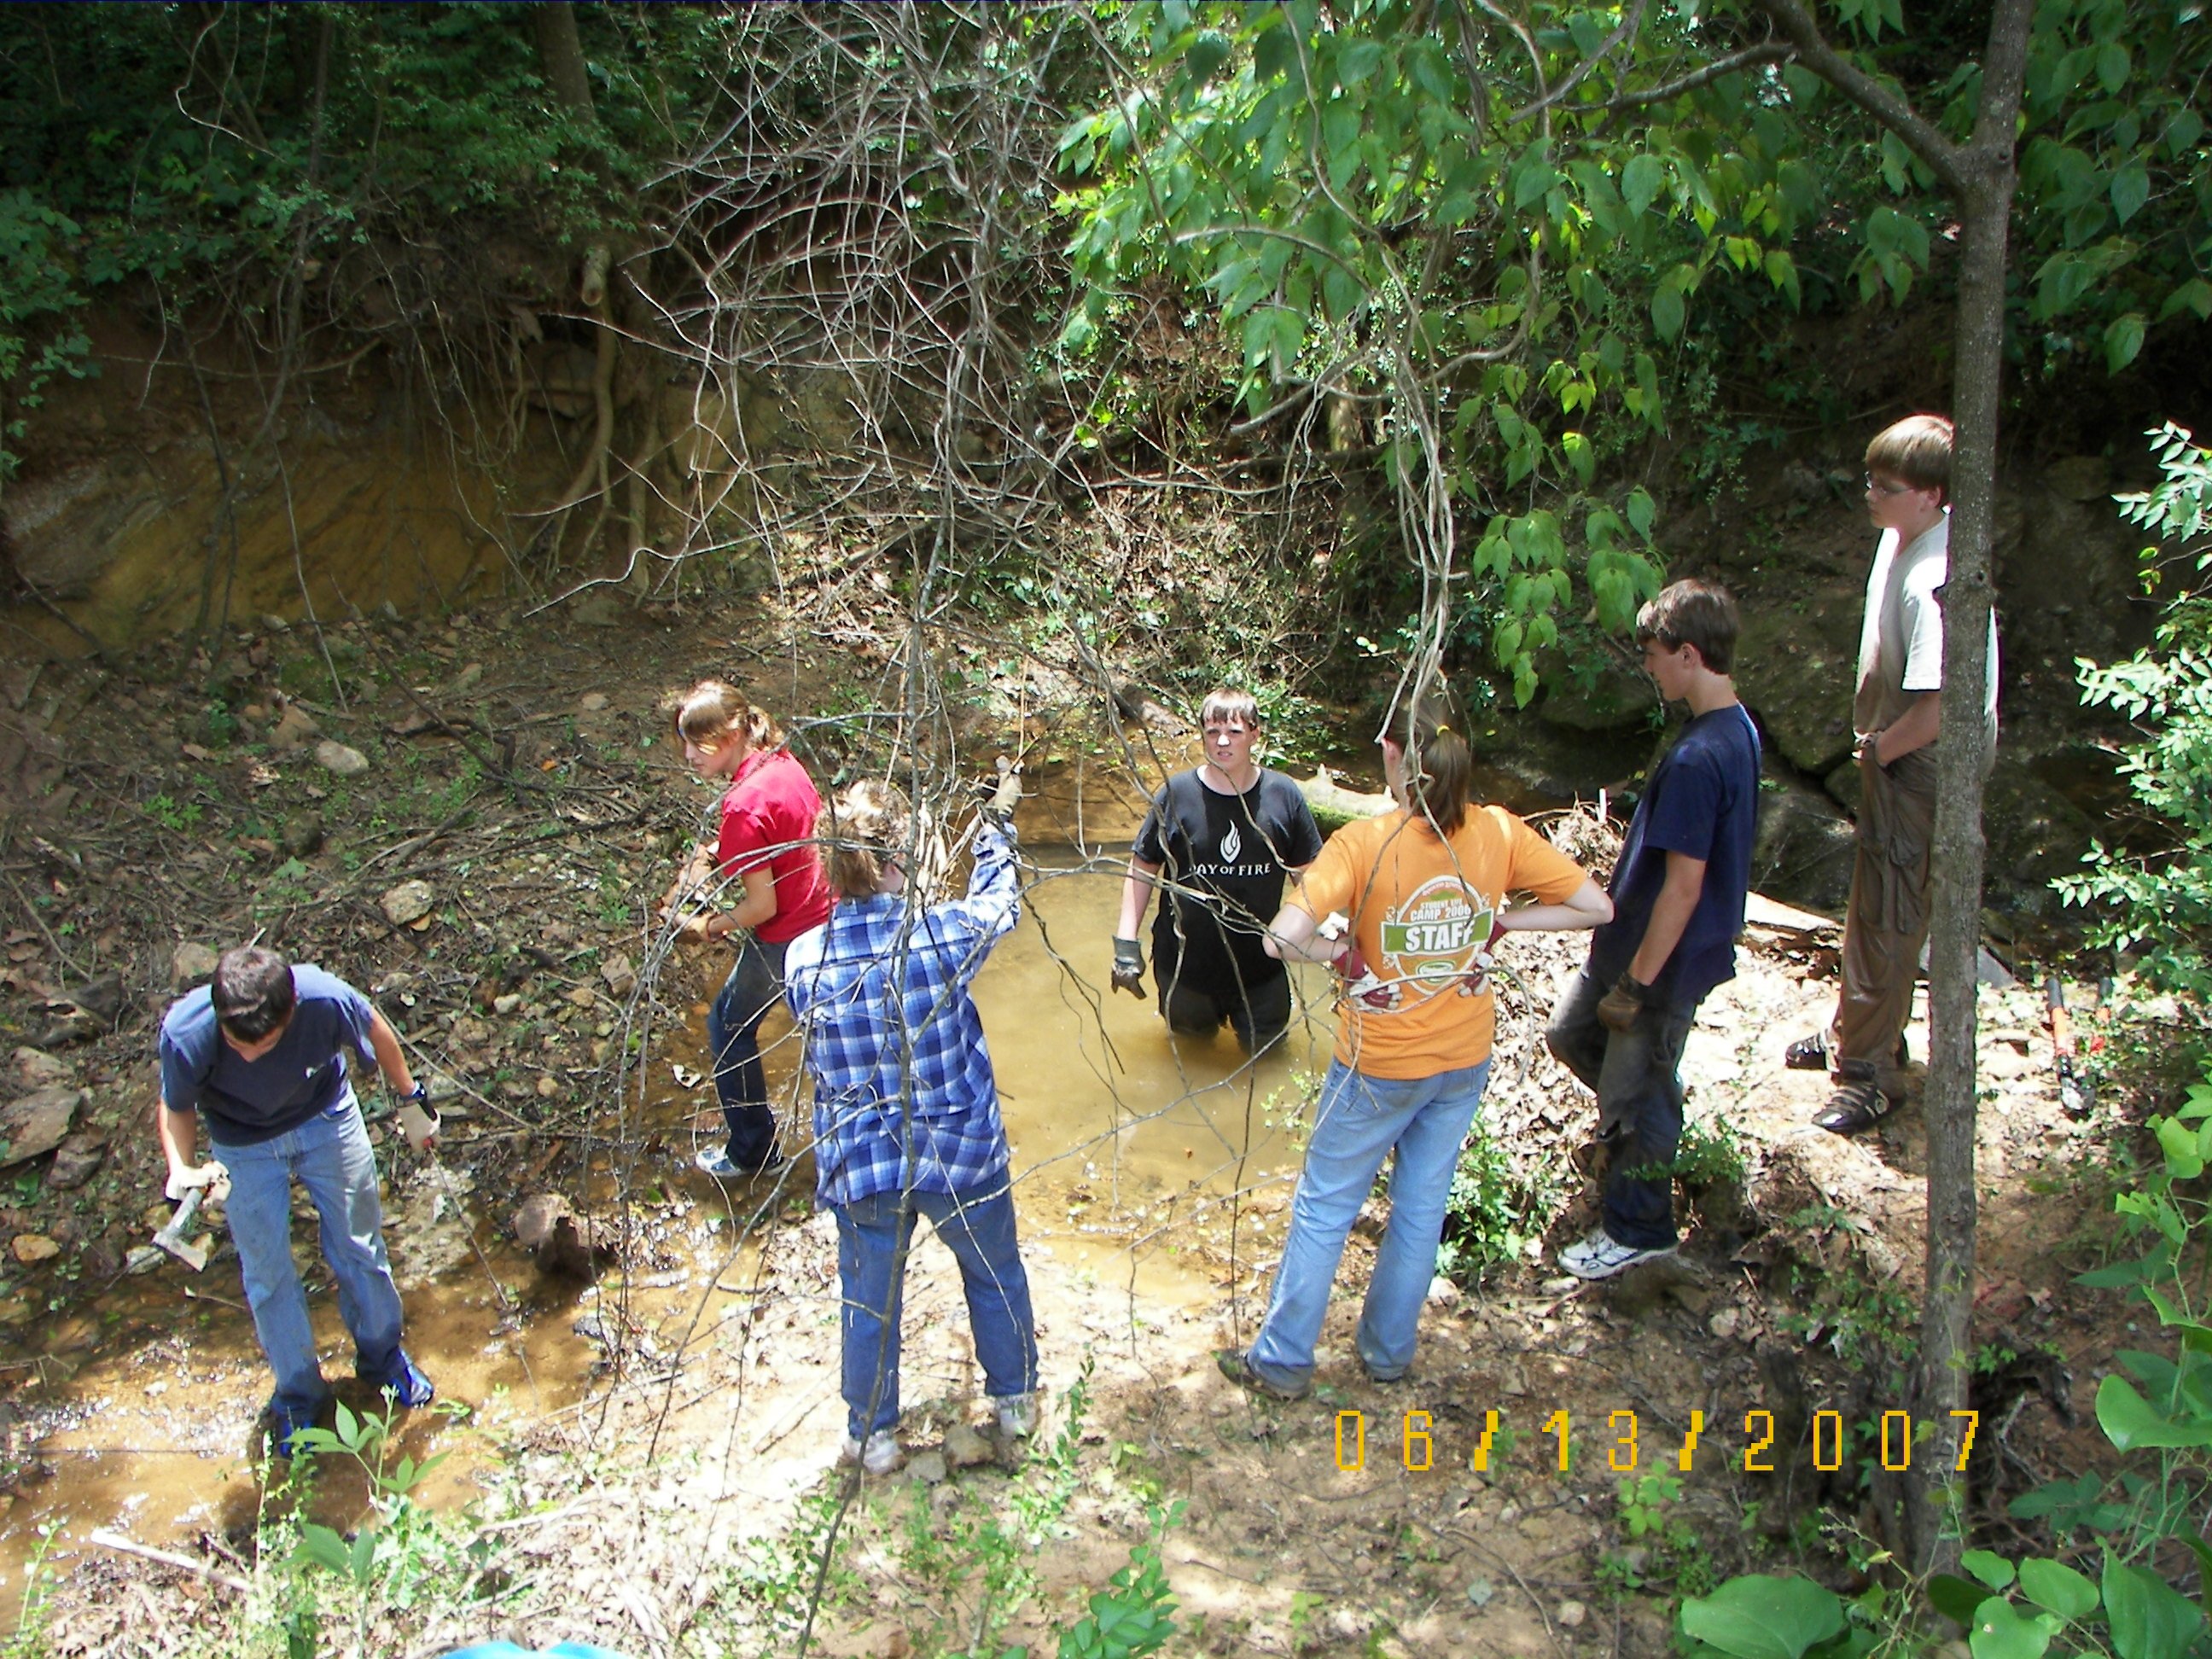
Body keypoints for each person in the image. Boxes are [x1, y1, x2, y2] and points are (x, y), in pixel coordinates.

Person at [1219, 692, 1611, 1398]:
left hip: (1379, 1061)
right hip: (1462, 1059)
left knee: (1326, 1205)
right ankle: (1389, 1354)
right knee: (1420, 1209)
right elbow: (1595, 908)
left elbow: (1281, 939)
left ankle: (1280, 1363)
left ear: (1397, 756)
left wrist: (1344, 959)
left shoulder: (1365, 844)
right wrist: (1502, 925)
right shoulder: (1498, 833)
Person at [784, 771, 1039, 1475]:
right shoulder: (942, 937)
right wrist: (996, 829)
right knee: (994, 1277)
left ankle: (871, 1438)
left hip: (862, 1164)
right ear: (899, 860)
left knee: (869, 1300)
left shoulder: (804, 959)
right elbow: (1000, 902)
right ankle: (1015, 1405)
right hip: (960, 1156)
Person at [1784, 415, 2001, 1136]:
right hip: (1893, 742)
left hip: (1924, 754)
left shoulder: (1939, 576)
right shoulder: (1899, 534)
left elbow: (1948, 702)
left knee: (1893, 911)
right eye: (1869, 478)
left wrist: (1882, 750)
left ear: (1934, 496)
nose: (1871, 494)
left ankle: (1872, 1075)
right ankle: (1858, 1030)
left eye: (1888, 486)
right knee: (1871, 895)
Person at [1546, 581, 1762, 1280]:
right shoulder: (1732, 729)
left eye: (1653, 654)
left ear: (1690, 655)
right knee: (1574, 1037)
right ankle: (1641, 1129)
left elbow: (1686, 884)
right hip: (1633, 945)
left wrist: (1637, 982)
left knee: (1638, 1090)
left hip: (1659, 962)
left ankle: (1639, 1229)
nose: (1648, 667)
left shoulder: (1705, 756)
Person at [155, 945, 436, 1454]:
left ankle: (382, 1359)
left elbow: (375, 1030)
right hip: (242, 1146)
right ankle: (299, 1394)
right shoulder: (187, 1032)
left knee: (359, 1246)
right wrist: (182, 1169)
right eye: (238, 1043)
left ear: (290, 1011)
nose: (249, 1054)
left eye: (264, 1042)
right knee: (267, 1273)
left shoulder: (324, 999)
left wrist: (412, 1100)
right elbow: (176, 1107)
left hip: (325, 1117)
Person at [661, 680, 835, 1178]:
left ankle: (753, 1153)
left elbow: (761, 906)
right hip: (829, 913)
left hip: (786, 935)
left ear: (733, 733)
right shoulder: (783, 764)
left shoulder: (741, 805)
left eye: (701, 742)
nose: (690, 755)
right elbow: (790, 839)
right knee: (829, 1034)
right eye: (686, 742)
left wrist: (708, 925)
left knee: (728, 1025)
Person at [1111, 687, 1324, 1052]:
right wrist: (1126, 945)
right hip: (1186, 969)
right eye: (1212, 732)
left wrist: (1331, 933)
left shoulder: (1282, 795)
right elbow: (1143, 868)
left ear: (1255, 734)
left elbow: (1310, 877)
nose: (1222, 742)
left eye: (1235, 732)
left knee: (1270, 1058)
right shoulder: (1176, 795)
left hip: (1262, 968)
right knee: (1191, 1061)